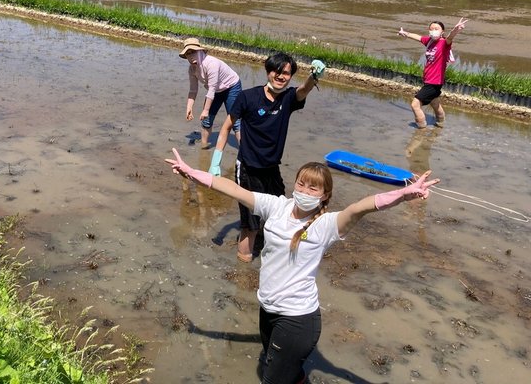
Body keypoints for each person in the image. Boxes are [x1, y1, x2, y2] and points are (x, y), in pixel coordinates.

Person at [166, 148, 439, 384]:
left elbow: (360, 208)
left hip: (298, 320)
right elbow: (234, 189)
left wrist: (403, 195)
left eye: (313, 188)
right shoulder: (276, 206)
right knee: (282, 368)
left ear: (324, 195)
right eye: (301, 184)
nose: (304, 191)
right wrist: (193, 173)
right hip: (268, 310)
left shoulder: (326, 225)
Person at [209, 52, 325, 262]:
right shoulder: (248, 97)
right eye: (276, 71)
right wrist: (215, 162)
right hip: (247, 169)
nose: (281, 76)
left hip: (272, 169)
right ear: (268, 71)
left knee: (283, 213)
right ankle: (243, 269)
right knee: (250, 225)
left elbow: (303, 90)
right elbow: (226, 127)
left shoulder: (288, 98)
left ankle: (273, 256)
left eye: (286, 73)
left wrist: (313, 77)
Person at [398, 17, 468, 128]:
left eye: (436, 29)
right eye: (431, 29)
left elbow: (450, 38)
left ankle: (421, 130)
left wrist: (455, 30)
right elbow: (419, 37)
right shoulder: (429, 41)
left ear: (442, 32)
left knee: (415, 105)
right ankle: (441, 124)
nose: (433, 31)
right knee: (435, 103)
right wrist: (405, 33)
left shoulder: (444, 43)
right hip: (429, 79)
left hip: (434, 82)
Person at [179, 37, 242, 149]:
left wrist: (206, 110)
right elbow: (193, 90)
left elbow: (211, 89)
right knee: (206, 120)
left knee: (234, 120)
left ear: (201, 51)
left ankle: (244, 150)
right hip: (216, 91)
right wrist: (189, 107)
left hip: (231, 87)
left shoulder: (211, 64)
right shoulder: (192, 69)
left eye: (193, 52)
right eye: (188, 54)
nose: (191, 56)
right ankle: (203, 148)